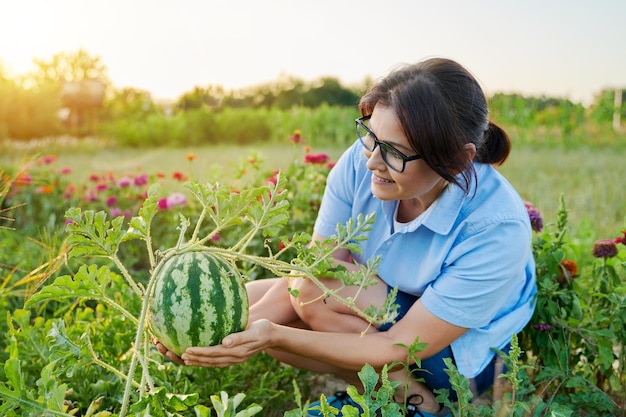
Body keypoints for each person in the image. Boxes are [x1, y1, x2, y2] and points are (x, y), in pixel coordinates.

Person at [156, 57, 537, 417]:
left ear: (457, 159)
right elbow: (316, 264)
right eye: (371, 136)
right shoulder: (364, 160)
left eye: (394, 152)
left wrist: (271, 336)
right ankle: (380, 394)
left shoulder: (496, 227)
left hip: (457, 357)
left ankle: (421, 406)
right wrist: (218, 339)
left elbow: (398, 345)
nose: (370, 160)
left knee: (304, 303)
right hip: (391, 304)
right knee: (254, 299)